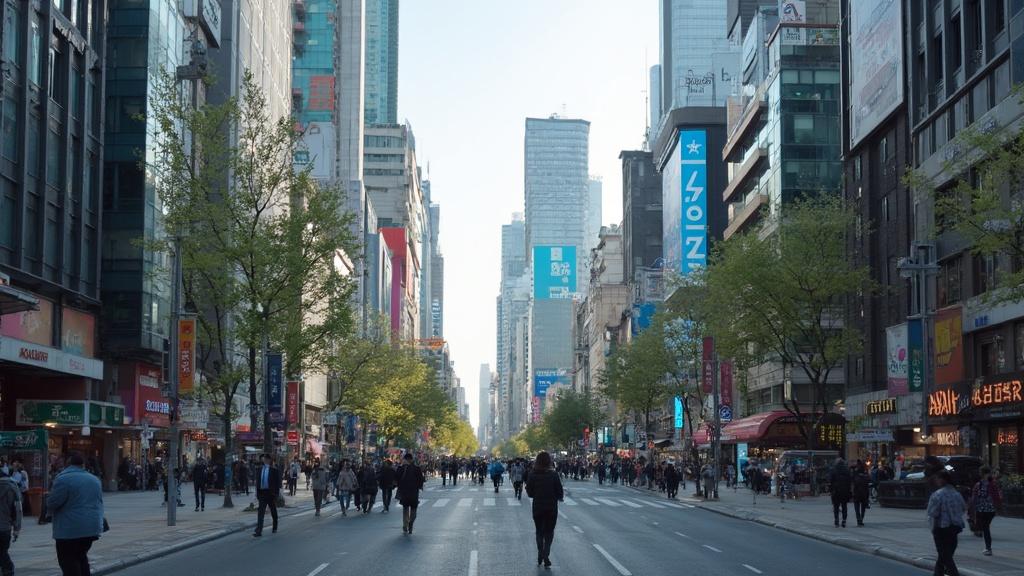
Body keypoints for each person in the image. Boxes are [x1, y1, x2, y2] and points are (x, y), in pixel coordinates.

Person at [46, 452, 104, 576]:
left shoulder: (63, 479)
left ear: (68, 464)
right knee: (81, 557)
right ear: (82, 465)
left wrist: (48, 499)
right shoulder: (94, 479)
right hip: (91, 527)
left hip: (70, 529)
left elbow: (53, 502)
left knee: (68, 560)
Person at [526, 451, 563, 569]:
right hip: (551, 507)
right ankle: (546, 553)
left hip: (538, 507)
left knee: (539, 531)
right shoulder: (553, 474)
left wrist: (536, 494)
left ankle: (540, 552)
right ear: (549, 461)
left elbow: (529, 492)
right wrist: (559, 497)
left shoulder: (532, 474)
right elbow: (559, 490)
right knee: (549, 531)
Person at [928, 470, 966, 576]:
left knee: (945, 556)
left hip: (941, 528)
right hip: (954, 527)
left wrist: (933, 527)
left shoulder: (937, 495)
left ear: (942, 480)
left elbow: (932, 512)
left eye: (938, 478)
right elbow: (963, 508)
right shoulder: (956, 494)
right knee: (945, 555)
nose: (936, 481)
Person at [970, 466, 1002, 556]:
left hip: (982, 509)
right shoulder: (992, 484)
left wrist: (972, 507)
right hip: (990, 509)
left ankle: (988, 548)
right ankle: (987, 547)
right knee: (986, 527)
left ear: (982, 474)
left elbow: (974, 498)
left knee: (985, 528)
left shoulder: (979, 484)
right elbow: (997, 496)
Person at [0, 466, 22, 576]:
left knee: (2, 553)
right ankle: (7, 569)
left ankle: (7, 567)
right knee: (3, 550)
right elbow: (17, 509)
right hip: (5, 527)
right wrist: (17, 528)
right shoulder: (13, 487)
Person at [396, 453, 425, 534]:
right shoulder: (417, 468)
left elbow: (397, 478)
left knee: (405, 509)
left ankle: (405, 525)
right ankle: (411, 522)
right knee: (413, 510)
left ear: (405, 459)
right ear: (412, 459)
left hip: (404, 492)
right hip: (414, 493)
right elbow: (421, 480)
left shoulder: (401, 468)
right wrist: (420, 486)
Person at [253, 453, 281, 537]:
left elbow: (277, 483)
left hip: (270, 493)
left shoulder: (274, 470)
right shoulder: (259, 469)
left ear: (269, 460)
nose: (264, 460)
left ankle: (275, 526)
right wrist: (257, 493)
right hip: (262, 493)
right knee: (260, 512)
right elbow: (258, 482)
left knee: (273, 511)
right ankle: (259, 530)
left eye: (265, 459)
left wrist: (276, 494)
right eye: (263, 459)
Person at [828, 458, 852, 527]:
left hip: (836, 491)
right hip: (845, 491)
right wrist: (849, 491)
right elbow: (849, 482)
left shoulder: (834, 470)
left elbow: (831, 481)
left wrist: (831, 490)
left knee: (836, 506)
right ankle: (844, 520)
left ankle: (836, 520)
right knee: (844, 506)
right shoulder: (847, 470)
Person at [852, 461, 871, 526]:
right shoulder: (866, 475)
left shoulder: (855, 474)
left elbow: (853, 482)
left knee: (857, 507)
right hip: (864, 494)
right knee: (863, 508)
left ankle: (858, 519)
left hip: (857, 493)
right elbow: (869, 481)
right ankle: (861, 519)